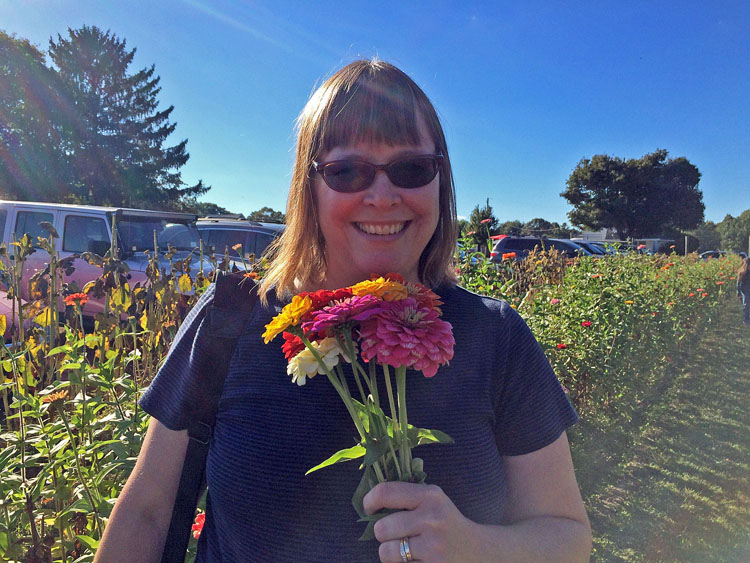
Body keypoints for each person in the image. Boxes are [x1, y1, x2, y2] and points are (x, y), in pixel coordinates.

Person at [96, 59, 592, 562]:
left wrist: (476, 547)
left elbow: (567, 536)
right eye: (347, 171)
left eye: (411, 168)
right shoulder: (233, 320)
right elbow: (146, 514)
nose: (382, 196)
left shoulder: (496, 337)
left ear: (441, 181)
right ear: (307, 189)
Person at [737, 257, 750, 325]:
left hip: (746, 290)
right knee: (746, 305)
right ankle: (746, 319)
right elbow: (739, 284)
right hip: (745, 291)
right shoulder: (743, 273)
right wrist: (739, 293)